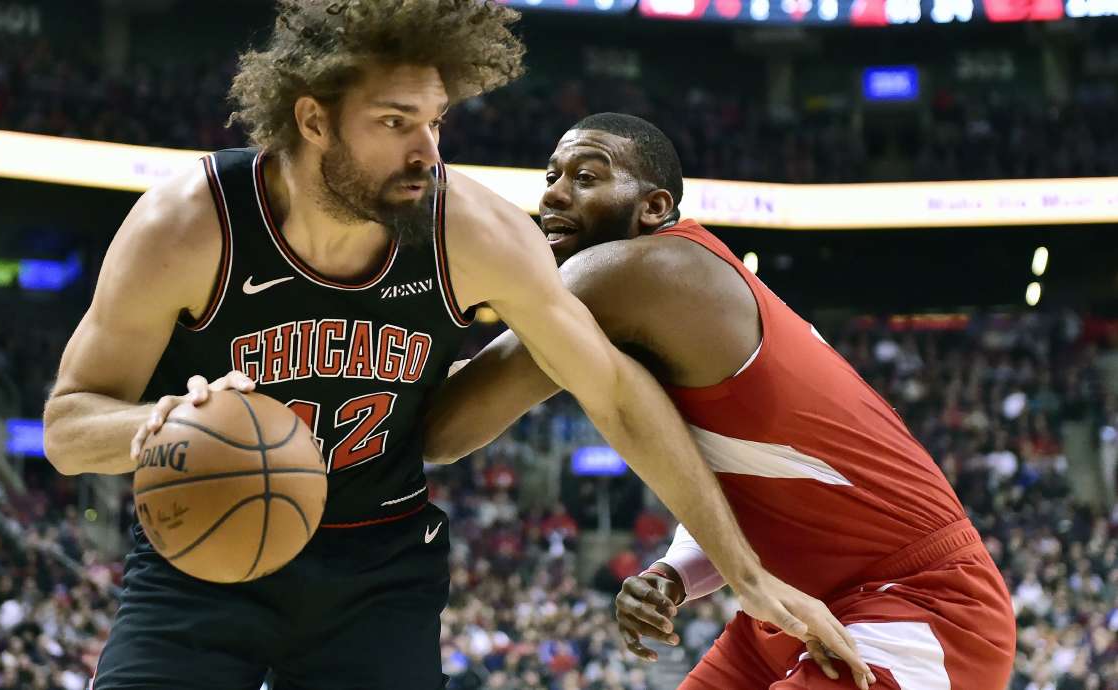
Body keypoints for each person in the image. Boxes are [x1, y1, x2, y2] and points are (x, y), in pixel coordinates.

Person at [41, 3, 868, 689]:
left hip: (375, 568)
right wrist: (155, 426)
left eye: (435, 121)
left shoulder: (466, 230)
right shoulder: (189, 224)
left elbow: (612, 390)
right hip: (200, 559)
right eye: (397, 122)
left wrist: (747, 574)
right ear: (313, 118)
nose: (428, 151)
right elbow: (68, 428)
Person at [424, 113, 1017, 690]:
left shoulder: (629, 272)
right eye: (550, 176)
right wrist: (676, 575)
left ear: (654, 207)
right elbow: (744, 479)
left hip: (919, 603)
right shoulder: (659, 288)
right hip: (797, 605)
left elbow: (448, 430)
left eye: (585, 177)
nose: (554, 195)